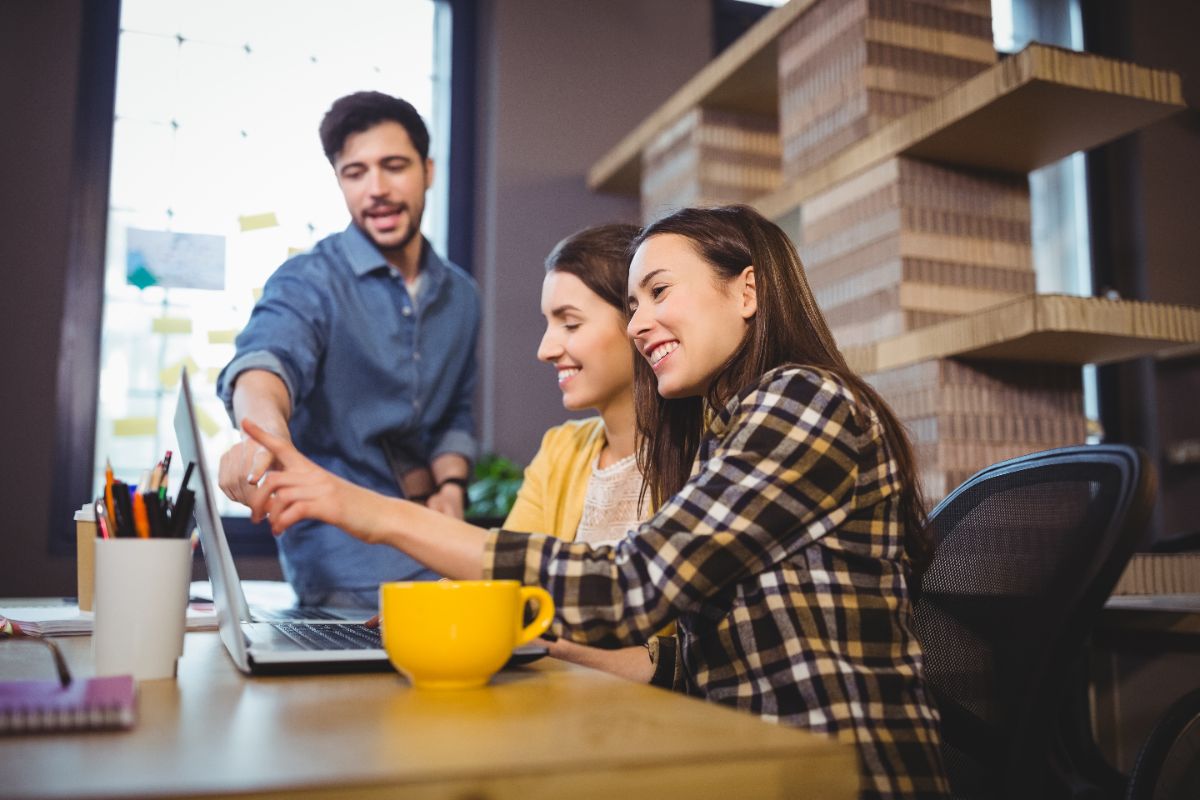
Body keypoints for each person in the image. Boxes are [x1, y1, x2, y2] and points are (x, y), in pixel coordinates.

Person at [238, 205, 949, 798]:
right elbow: (696, 661)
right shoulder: (727, 436)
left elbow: (630, 588)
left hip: (842, 772)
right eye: (634, 304)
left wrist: (370, 510)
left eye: (660, 293)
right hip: (745, 758)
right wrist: (533, 640)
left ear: (748, 291)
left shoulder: (803, 401)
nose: (642, 325)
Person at [215, 91, 480, 609]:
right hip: (343, 558)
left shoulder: (462, 296)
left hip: (430, 532)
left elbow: (456, 414)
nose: (375, 189)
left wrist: (450, 487)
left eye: (394, 166)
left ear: (428, 171)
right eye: (354, 173)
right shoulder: (308, 280)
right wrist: (261, 439)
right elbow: (266, 364)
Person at [505, 222, 668, 684]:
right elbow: (511, 582)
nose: (545, 349)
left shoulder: (711, 453)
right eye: (548, 323)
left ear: (637, 320)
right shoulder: (562, 449)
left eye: (570, 323)